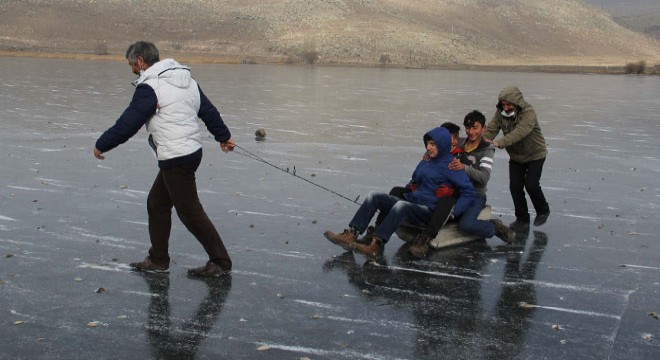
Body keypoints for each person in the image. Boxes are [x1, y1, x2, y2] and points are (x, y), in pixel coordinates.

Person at [93, 41, 235, 277]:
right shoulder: (187, 81)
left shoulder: (151, 86)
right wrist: (224, 136)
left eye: (131, 64)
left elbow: (128, 123)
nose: (131, 69)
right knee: (157, 203)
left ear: (140, 61)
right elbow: (208, 111)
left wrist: (102, 144)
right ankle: (158, 259)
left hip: (176, 156)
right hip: (189, 152)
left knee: (189, 211)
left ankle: (220, 261)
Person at [323, 127, 475, 259]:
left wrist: (453, 212)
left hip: (428, 210)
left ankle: (376, 245)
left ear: (442, 145)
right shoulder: (426, 161)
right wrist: (411, 187)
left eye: (433, 144)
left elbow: (468, 192)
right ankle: (352, 234)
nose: (429, 147)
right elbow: (413, 181)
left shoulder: (452, 165)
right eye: (428, 143)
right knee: (374, 196)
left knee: (401, 206)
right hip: (414, 200)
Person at [484, 86, 550, 228]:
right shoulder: (500, 114)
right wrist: (479, 144)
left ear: (517, 103)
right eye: (503, 104)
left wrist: (500, 143)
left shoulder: (529, 113)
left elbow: (520, 132)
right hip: (516, 157)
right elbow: (491, 130)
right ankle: (522, 218)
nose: (506, 107)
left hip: (535, 155)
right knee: (515, 187)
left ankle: (543, 210)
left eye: (509, 104)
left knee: (531, 184)